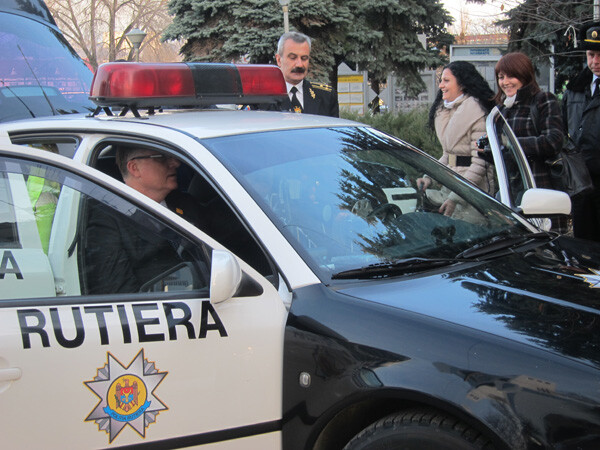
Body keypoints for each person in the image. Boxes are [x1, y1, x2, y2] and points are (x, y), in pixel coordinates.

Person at [84, 147, 205, 294]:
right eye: (162, 157)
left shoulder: (187, 204)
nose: (175, 163)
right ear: (134, 168)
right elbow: (117, 292)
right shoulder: (108, 219)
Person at [493, 52, 566, 233]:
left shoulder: (543, 100)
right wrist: (488, 149)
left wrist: (513, 144)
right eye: (501, 77)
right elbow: (503, 154)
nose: (505, 82)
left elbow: (554, 140)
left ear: (524, 76)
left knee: (546, 241)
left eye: (511, 76)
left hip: (540, 188)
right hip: (511, 192)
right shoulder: (501, 109)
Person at [417, 61, 495, 218]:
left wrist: (456, 197)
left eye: (446, 81)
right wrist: (429, 178)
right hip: (453, 185)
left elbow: (480, 164)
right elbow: (448, 156)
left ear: (462, 84)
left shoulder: (478, 114)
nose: (441, 85)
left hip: (474, 193)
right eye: (441, 81)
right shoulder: (447, 110)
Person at [562, 22, 600, 241]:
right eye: (591, 55)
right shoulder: (575, 89)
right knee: (584, 244)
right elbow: (564, 130)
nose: (595, 62)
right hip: (581, 182)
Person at [274, 31, 339, 117]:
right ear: (279, 60)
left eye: (304, 58)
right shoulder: (264, 97)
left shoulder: (326, 96)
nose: (299, 64)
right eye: (293, 58)